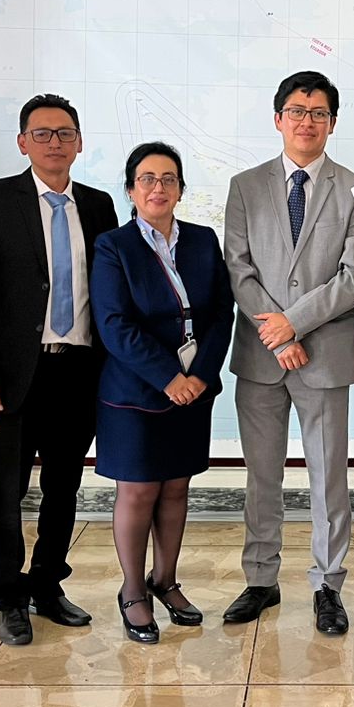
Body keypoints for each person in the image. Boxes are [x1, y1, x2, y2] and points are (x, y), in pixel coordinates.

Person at [0, 93, 117, 646]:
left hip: (78, 372)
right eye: (42, 133)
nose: (54, 142)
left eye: (65, 133)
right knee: (6, 490)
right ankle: (8, 595)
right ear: (23, 142)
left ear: (79, 142)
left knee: (63, 488)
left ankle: (47, 585)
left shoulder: (98, 206)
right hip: (9, 377)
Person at [221, 70, 354, 635]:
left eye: (318, 113)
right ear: (278, 118)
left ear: (332, 122)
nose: (306, 121)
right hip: (261, 357)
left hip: (323, 357)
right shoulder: (245, 185)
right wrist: (277, 333)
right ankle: (261, 580)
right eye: (296, 111)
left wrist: (294, 325)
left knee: (328, 478)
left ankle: (328, 585)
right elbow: (238, 268)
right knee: (261, 477)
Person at [91, 143, 234, 644]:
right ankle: (134, 591)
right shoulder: (113, 245)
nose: (158, 187)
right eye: (147, 179)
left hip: (194, 390)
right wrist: (168, 377)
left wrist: (201, 376)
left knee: (176, 488)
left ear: (181, 189)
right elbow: (114, 323)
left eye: (168, 178)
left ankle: (165, 580)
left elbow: (221, 313)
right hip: (135, 391)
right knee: (139, 490)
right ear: (131, 190)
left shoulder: (202, 240)